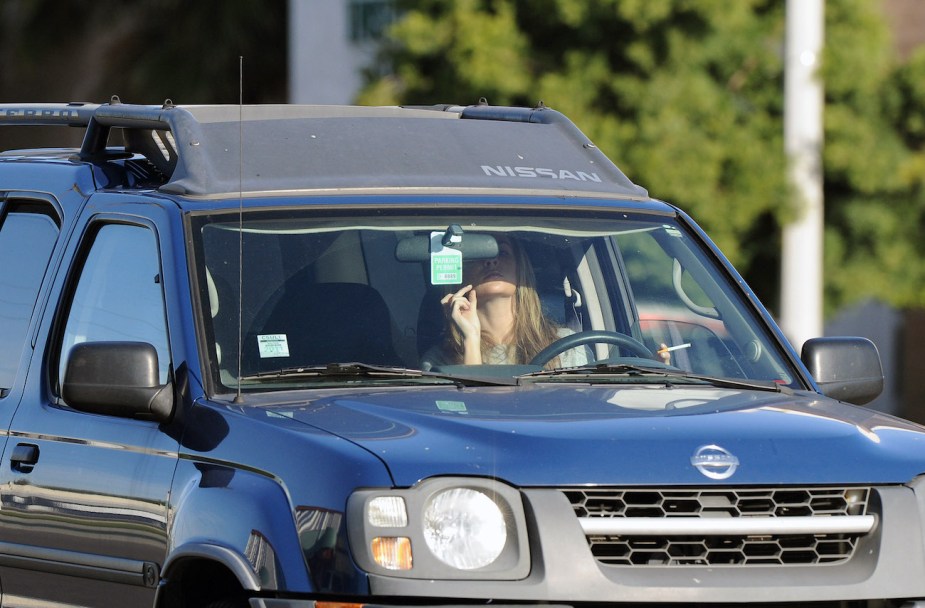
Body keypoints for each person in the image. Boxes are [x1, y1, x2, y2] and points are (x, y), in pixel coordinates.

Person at [420, 235, 590, 370]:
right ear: (459, 274)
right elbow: (472, 410)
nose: (491, 261)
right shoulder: (439, 362)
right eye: (479, 255)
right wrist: (470, 340)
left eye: (502, 252)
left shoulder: (566, 346)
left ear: (520, 267)